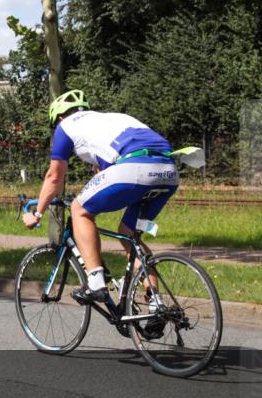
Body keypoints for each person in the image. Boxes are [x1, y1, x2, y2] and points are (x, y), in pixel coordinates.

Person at [22, 90, 179, 305]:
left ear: (59, 117)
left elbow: (54, 176)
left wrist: (37, 212)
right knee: (129, 234)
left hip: (135, 166)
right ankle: (156, 304)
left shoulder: (65, 126)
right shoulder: (112, 119)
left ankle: (95, 284)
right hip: (169, 170)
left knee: (79, 210)